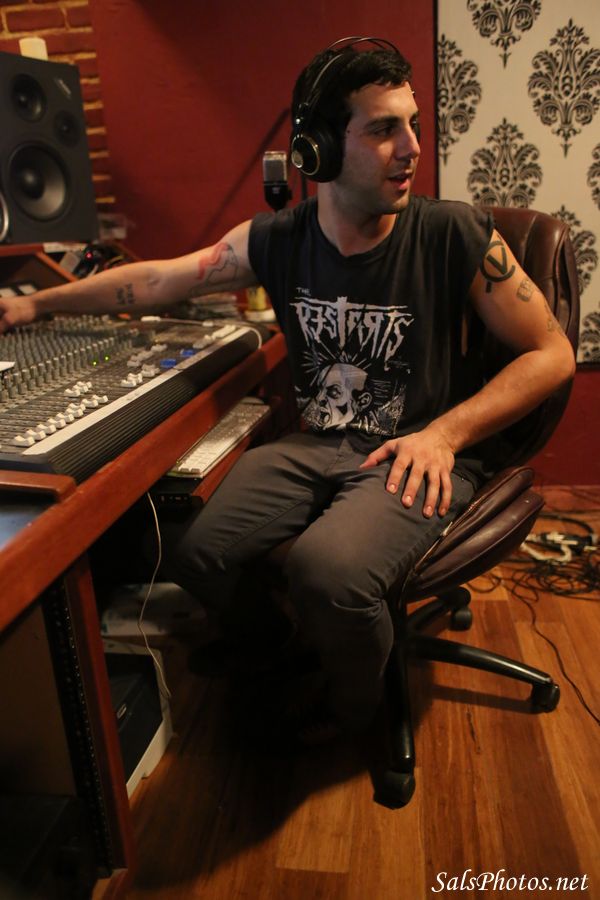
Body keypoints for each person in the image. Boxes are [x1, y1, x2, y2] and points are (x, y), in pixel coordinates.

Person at [0, 39, 575, 741]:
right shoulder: (275, 239)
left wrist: (445, 434)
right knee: (183, 543)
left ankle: (353, 712)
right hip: (316, 446)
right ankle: (279, 643)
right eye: (384, 129)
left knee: (326, 572)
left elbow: (551, 354)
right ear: (318, 150)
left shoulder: (452, 232)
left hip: (416, 452)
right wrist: (36, 305)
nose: (412, 149)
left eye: (413, 125)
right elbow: (158, 280)